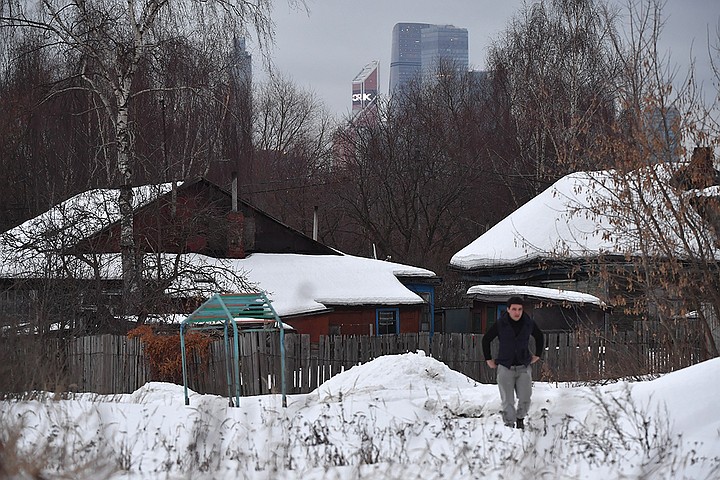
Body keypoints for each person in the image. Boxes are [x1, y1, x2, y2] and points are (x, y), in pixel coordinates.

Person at [482, 296, 544, 430]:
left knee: (525, 398)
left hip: (523, 367)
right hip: (505, 367)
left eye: (520, 309)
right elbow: (486, 339)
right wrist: (489, 359)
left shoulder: (528, 323)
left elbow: (539, 336)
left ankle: (520, 418)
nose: (517, 312)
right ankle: (509, 426)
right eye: (514, 309)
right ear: (508, 310)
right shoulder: (501, 324)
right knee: (508, 401)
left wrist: (537, 355)